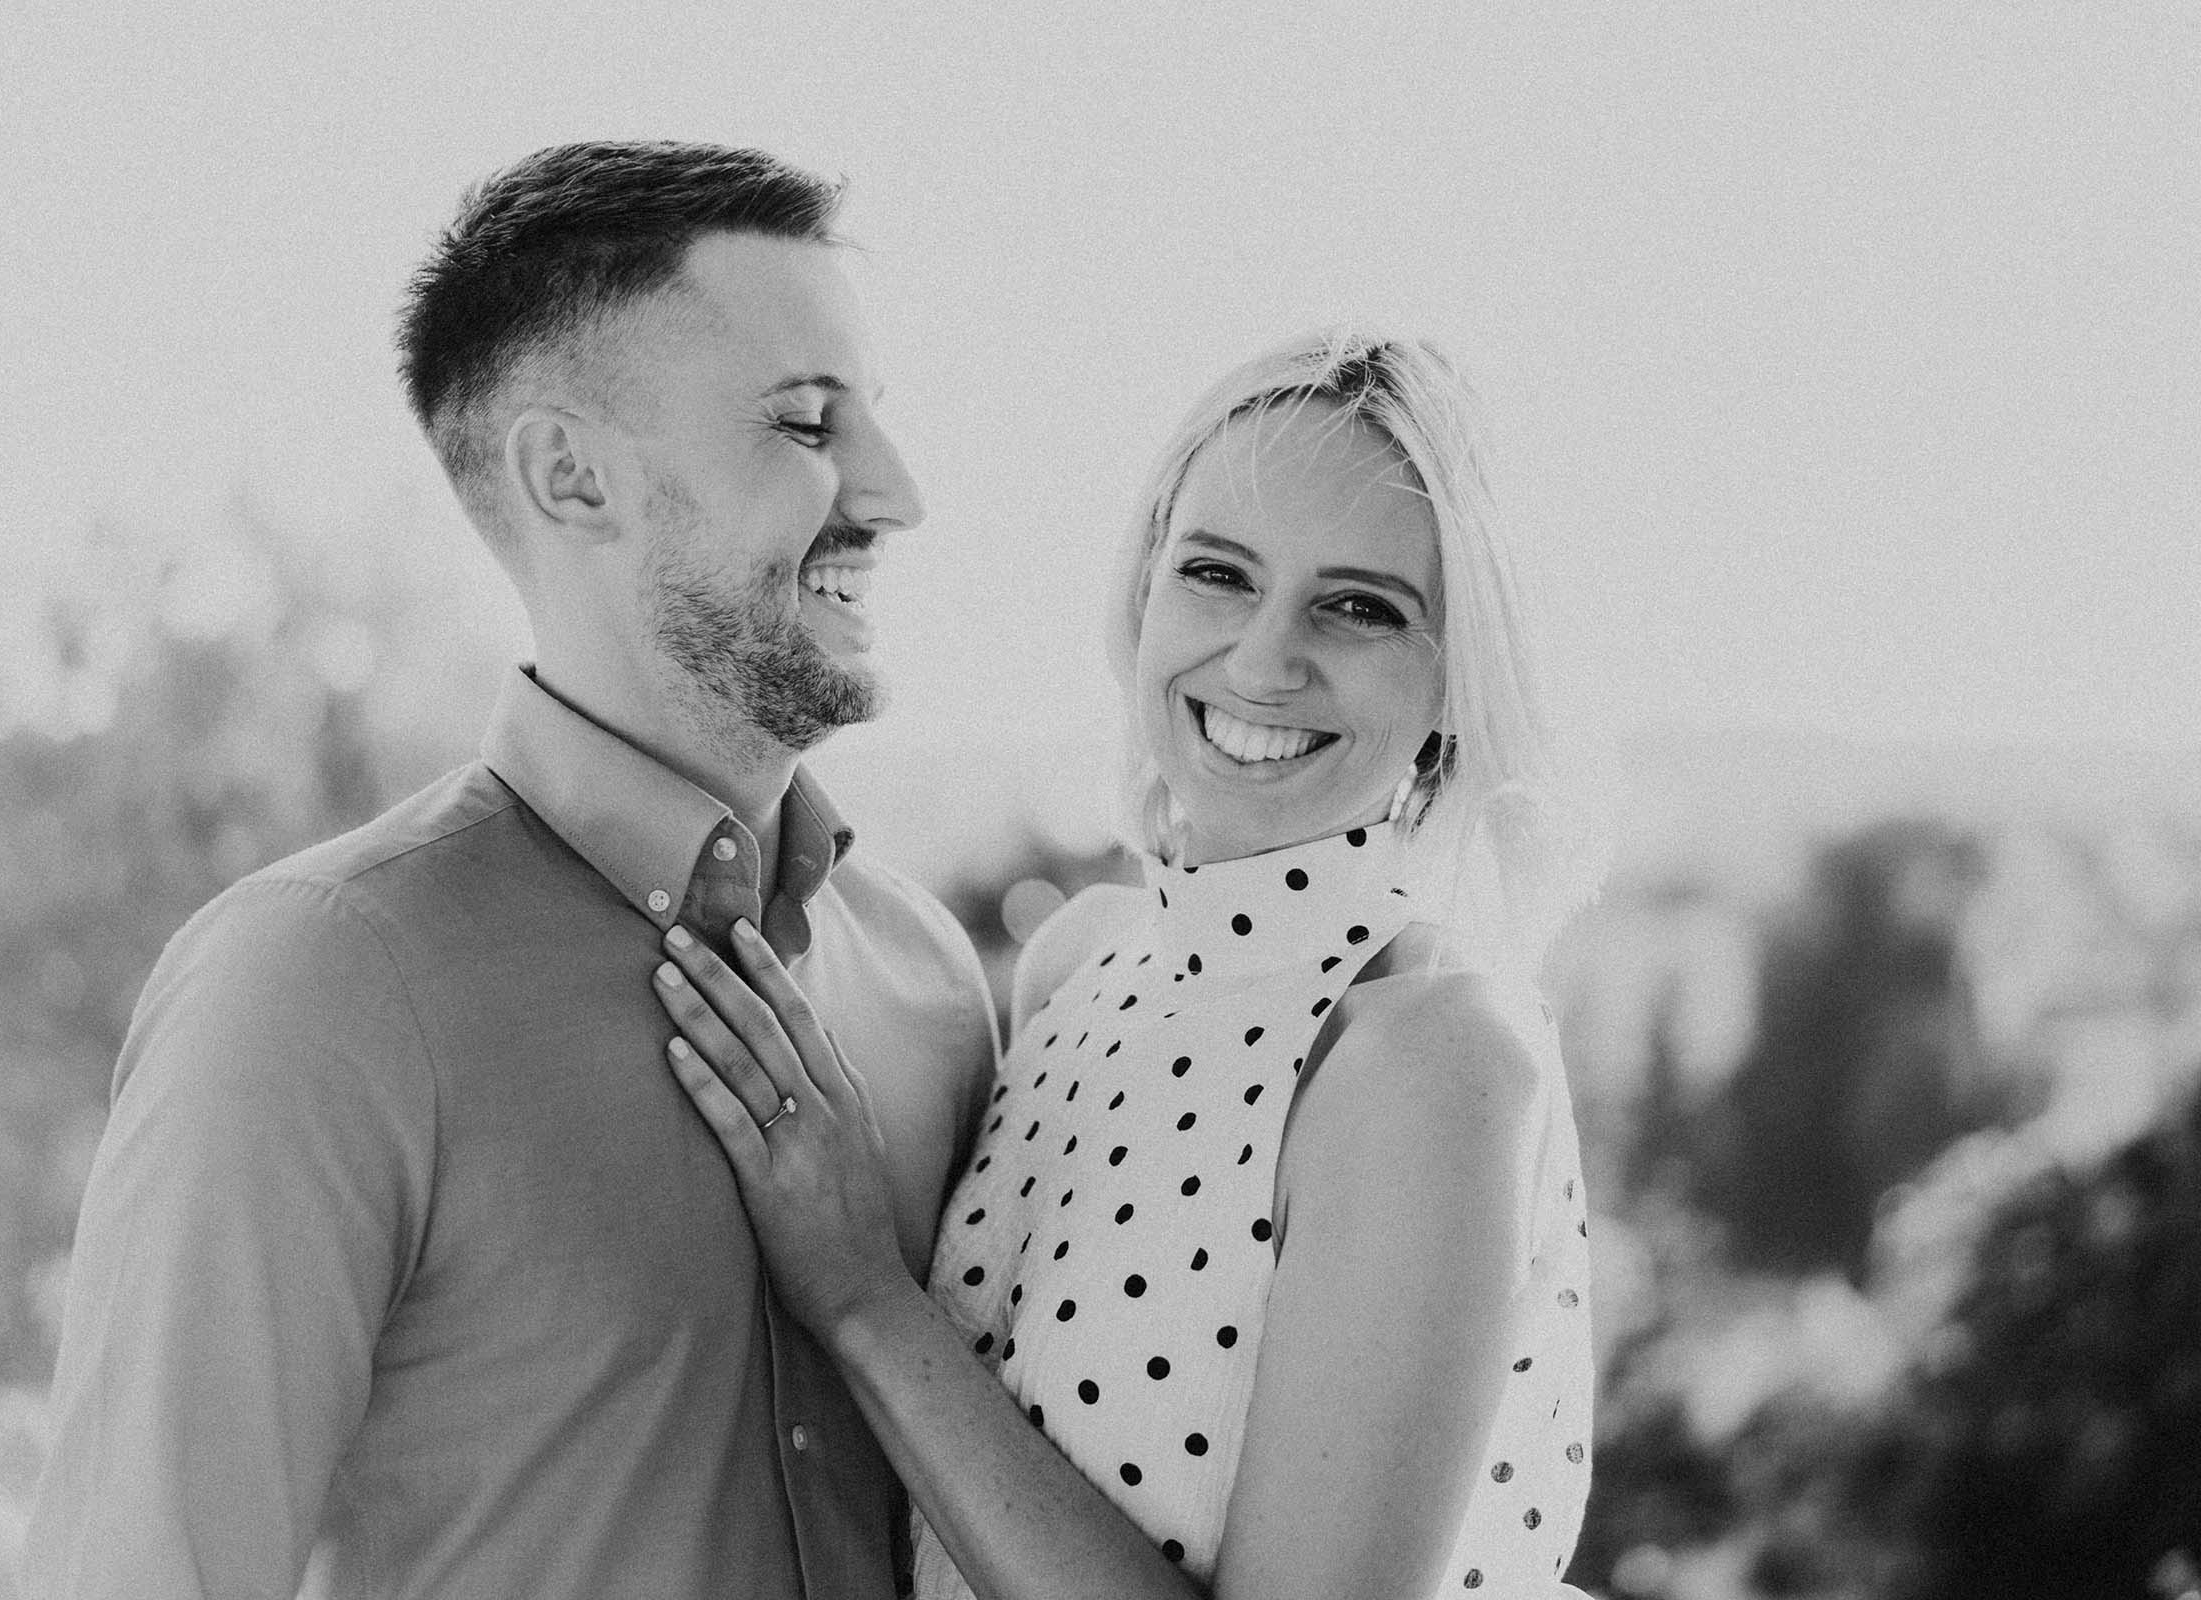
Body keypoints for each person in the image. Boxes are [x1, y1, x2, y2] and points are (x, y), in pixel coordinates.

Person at [25, 141, 997, 1600]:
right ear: (570, 475)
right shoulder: (319, 984)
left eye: (877, 421)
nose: (897, 494)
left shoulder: (929, 985)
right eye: (807, 427)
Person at [654, 330, 1602, 1597]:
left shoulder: (1427, 1057)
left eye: (1361, 606)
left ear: (1454, 683)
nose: (1265, 660)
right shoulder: (1076, 968)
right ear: (1142, 594)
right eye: (1217, 574)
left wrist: (861, 1293)